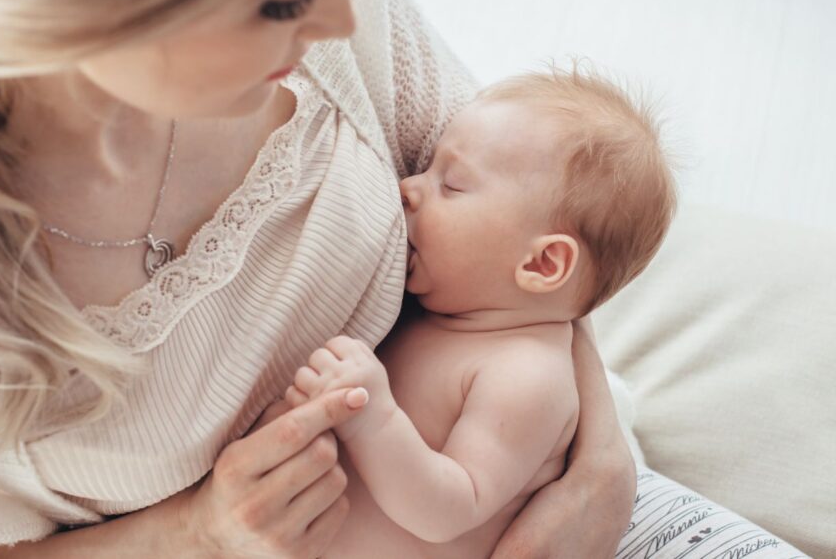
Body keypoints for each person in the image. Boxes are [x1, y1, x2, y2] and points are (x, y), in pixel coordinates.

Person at [0, 0, 807, 557]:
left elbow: (544, 224)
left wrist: (601, 474)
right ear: (78, 1)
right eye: (282, 0)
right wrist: (202, 533)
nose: (341, 15)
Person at [285, 65, 679, 558]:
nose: (409, 185)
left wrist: (372, 418)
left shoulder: (526, 375)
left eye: (451, 184)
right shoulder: (446, 313)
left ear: (541, 262)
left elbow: (448, 509)